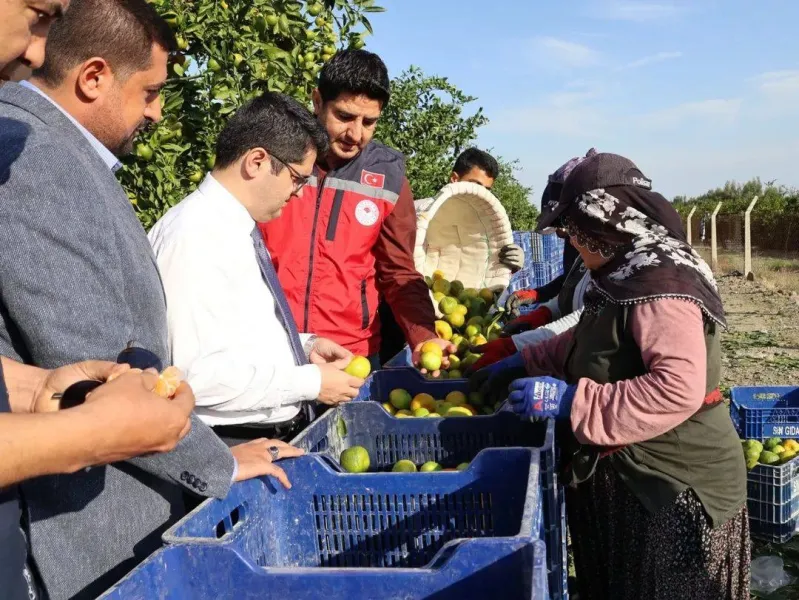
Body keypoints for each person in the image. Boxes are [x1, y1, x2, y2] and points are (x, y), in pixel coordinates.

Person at [0, 1, 299, 597]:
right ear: (94, 77)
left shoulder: (67, 155)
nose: (158, 113)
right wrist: (216, 463)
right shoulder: (30, 153)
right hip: (83, 523)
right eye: (150, 93)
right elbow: (86, 345)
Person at [474, 153, 749, 599]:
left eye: (574, 234)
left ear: (602, 224)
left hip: (672, 486)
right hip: (628, 475)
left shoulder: (661, 280)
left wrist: (573, 403)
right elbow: (590, 338)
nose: (572, 245)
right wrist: (525, 361)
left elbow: (677, 387)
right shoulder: (622, 273)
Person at [150, 92, 365, 444]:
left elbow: (235, 335)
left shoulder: (233, 229)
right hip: (231, 442)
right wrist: (310, 382)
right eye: (297, 178)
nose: (298, 193)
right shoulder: (195, 238)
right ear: (257, 161)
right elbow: (194, 377)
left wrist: (303, 346)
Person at [258, 49, 454, 373]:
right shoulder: (276, 157)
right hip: (272, 349)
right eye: (345, 117)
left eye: (369, 122)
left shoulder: (388, 178)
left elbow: (399, 271)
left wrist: (423, 335)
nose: (356, 134)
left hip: (351, 359)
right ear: (318, 101)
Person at [503, 149, 597, 320]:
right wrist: (537, 294)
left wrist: (544, 318)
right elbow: (571, 281)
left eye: (563, 223)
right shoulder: (574, 241)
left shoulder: (619, 258)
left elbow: (592, 316)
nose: (561, 233)